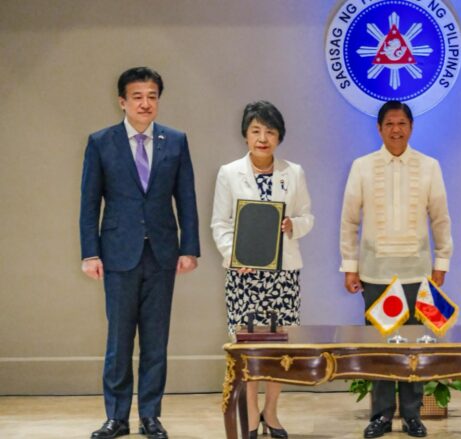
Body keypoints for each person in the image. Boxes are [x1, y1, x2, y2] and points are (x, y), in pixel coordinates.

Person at [80, 67, 200, 439]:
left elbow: (187, 198)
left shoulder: (175, 141)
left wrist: (189, 248)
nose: (145, 103)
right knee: (118, 340)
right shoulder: (101, 142)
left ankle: (150, 415)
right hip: (118, 253)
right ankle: (116, 417)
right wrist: (90, 253)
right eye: (137, 96)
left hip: (163, 253)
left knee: (155, 340)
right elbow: (89, 203)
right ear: (122, 102)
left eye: (152, 96)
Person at [340, 100, 453, 438]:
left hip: (417, 274)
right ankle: (381, 416)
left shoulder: (429, 166)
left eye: (402, 123)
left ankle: (413, 415)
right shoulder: (362, 166)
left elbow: (441, 219)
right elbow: (349, 220)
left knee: (413, 349)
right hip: (376, 274)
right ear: (379, 128)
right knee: (382, 348)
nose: (396, 129)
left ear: (411, 127)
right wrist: (350, 266)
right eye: (389, 123)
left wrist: (441, 262)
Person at [211, 101, 313, 439]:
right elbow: (220, 225)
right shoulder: (229, 173)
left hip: (283, 275)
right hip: (245, 277)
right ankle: (251, 414)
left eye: (270, 131)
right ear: (245, 135)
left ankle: (272, 411)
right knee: (249, 349)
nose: (262, 138)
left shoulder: (293, 173)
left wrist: (292, 225)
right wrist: (234, 255)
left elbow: (308, 218)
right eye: (256, 131)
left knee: (279, 348)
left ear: (279, 137)